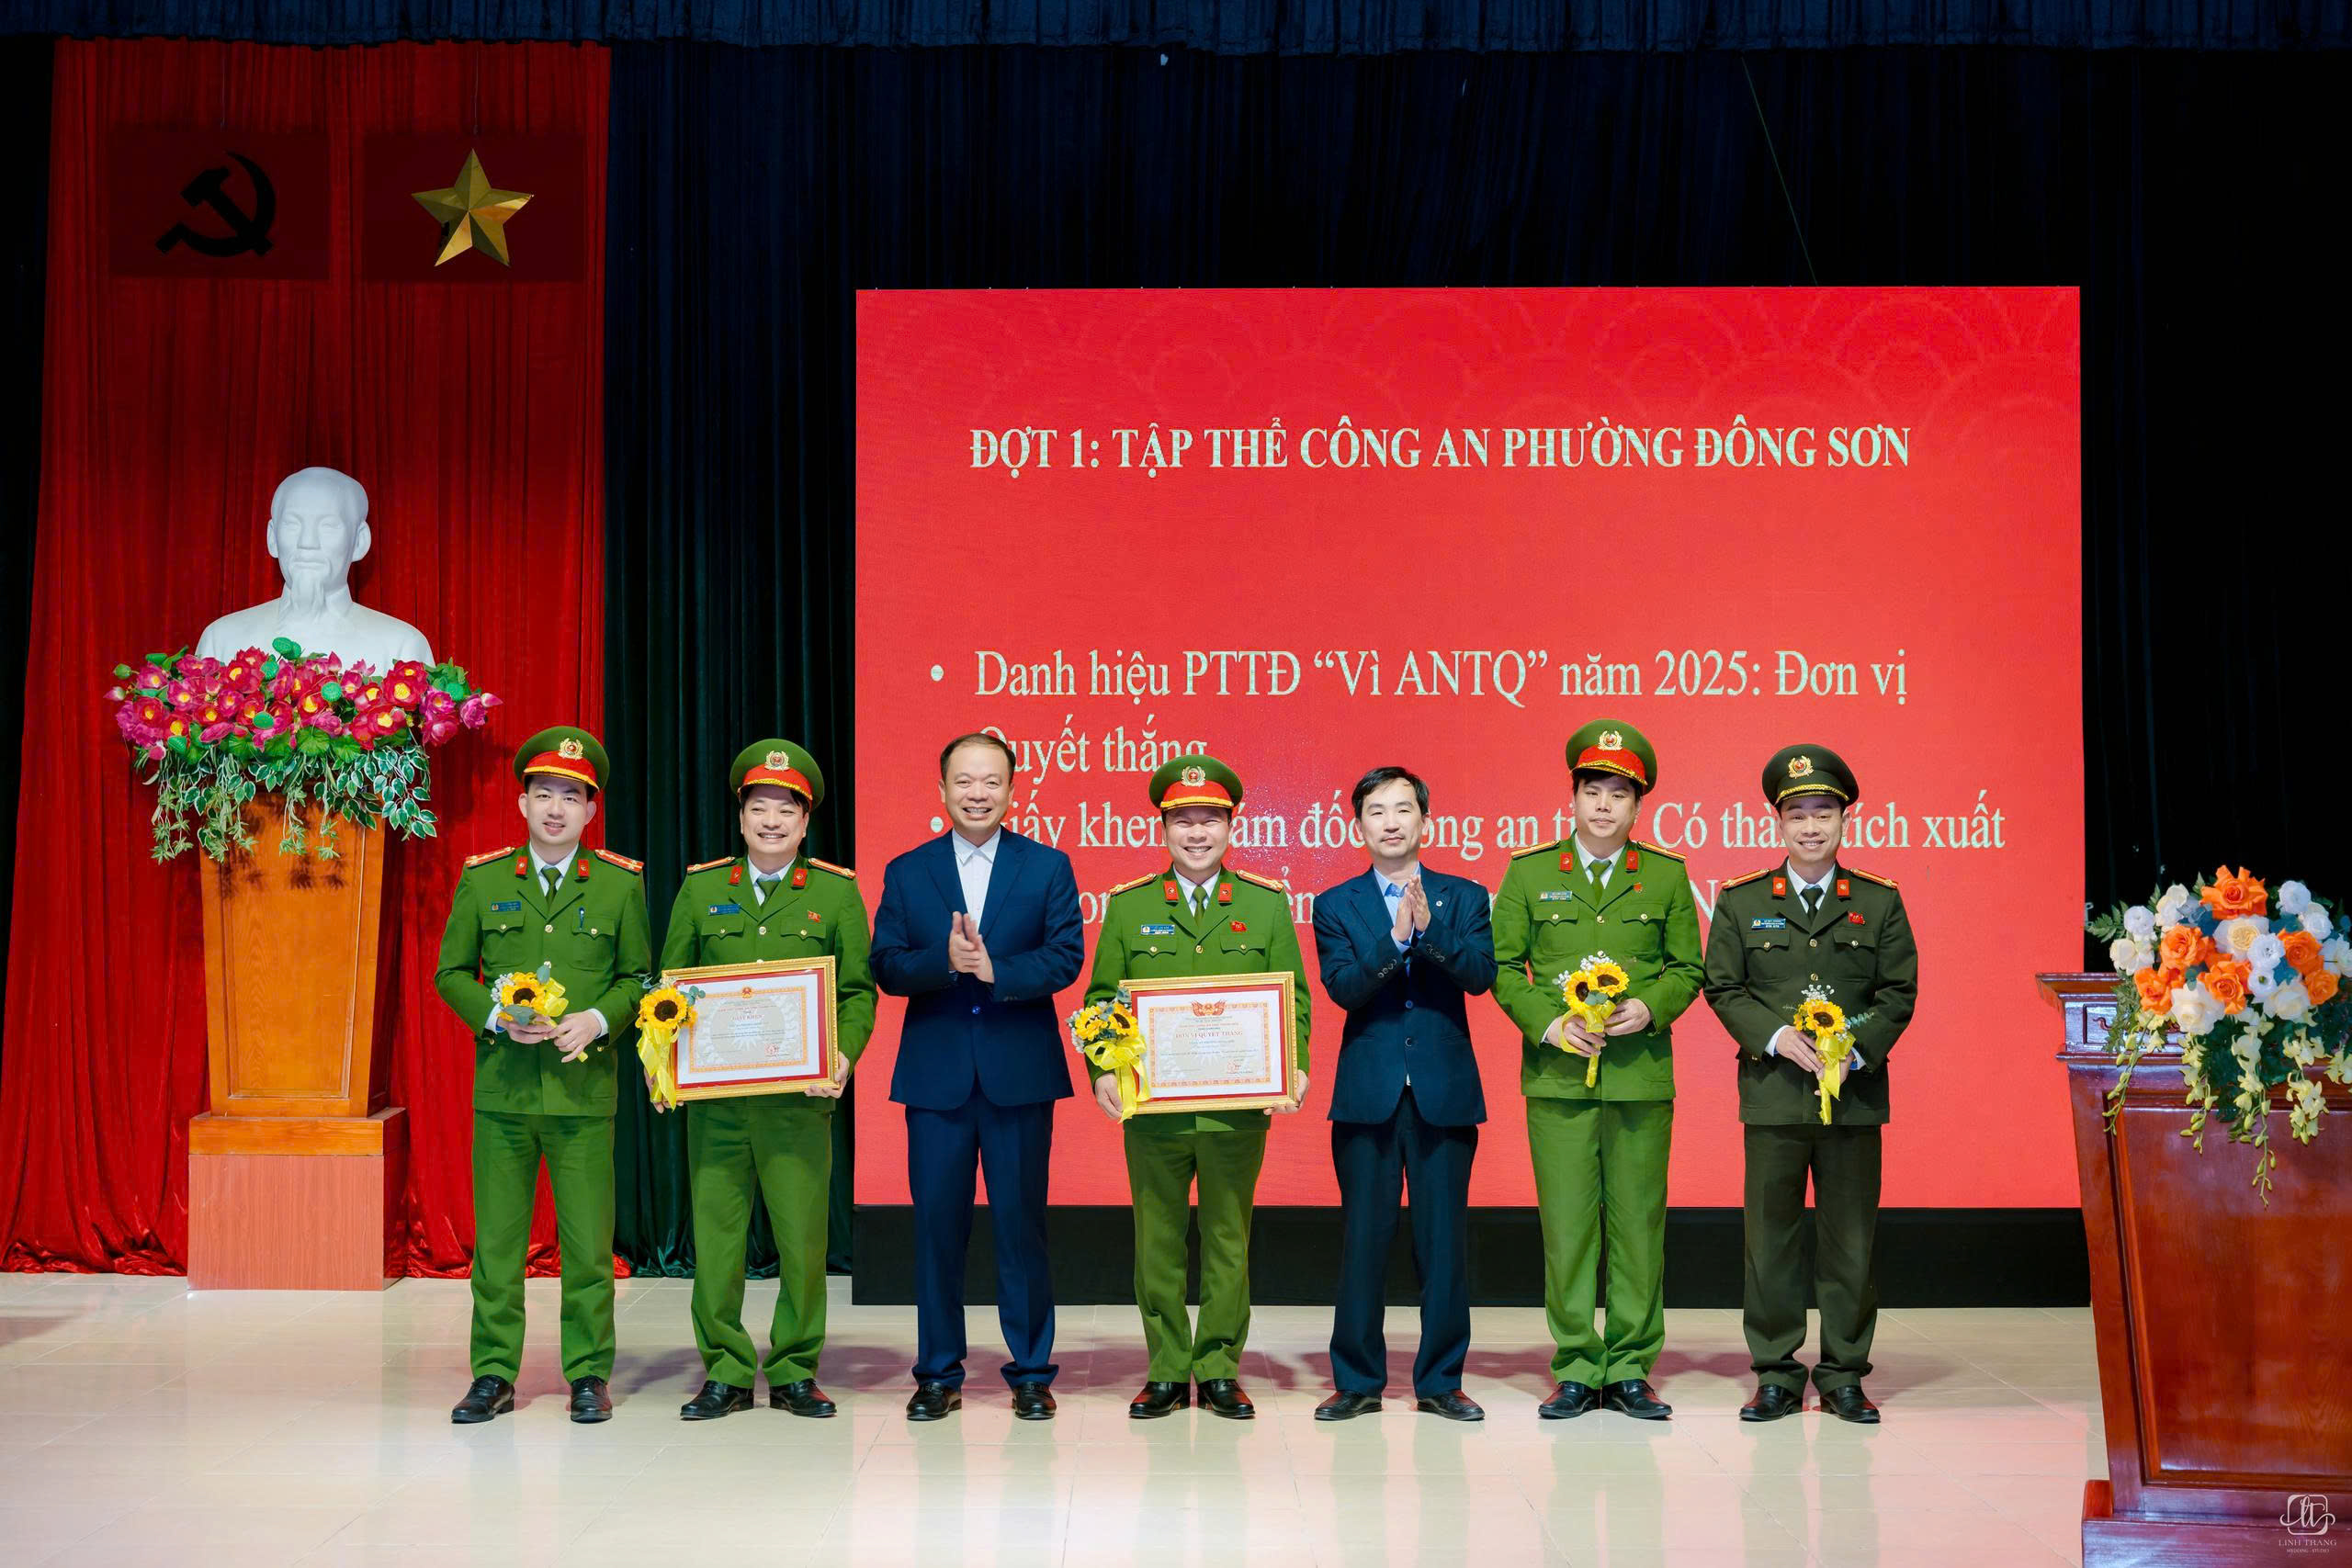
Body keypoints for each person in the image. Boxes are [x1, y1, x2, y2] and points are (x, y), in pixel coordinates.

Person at [435, 727, 651, 1425]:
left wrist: (598, 1019)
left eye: (572, 797)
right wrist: (496, 1016)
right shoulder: (485, 879)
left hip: (583, 1093)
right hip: (505, 1091)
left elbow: (638, 977)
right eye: (544, 794)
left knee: (587, 1247)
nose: (557, 808)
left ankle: (587, 1372)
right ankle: (493, 1373)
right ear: (523, 802)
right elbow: (450, 973)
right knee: (498, 1245)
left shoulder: (619, 883)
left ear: (592, 810)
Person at [1084, 755, 1310, 1420]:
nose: (1196, 833)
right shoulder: (1130, 906)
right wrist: (1103, 1067)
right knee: (1156, 1241)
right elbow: (1101, 1000)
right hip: (1153, 1109)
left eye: (1210, 819)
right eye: (1183, 820)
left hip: (1235, 1111)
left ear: (1231, 826)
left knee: (1227, 1242)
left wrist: (1292, 1065)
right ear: (1163, 828)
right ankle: (1165, 1369)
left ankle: (1217, 1368)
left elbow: (1292, 1001)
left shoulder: (1266, 905)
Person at [656, 740, 876, 1420]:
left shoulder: (835, 892)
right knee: (717, 1243)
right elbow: (668, 989)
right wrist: (663, 1063)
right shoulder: (702, 888)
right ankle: (724, 1371)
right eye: (759, 808)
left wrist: (843, 1056)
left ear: (805, 823)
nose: (772, 821)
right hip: (718, 1104)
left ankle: (793, 1369)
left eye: (786, 810)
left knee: (802, 1241)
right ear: (741, 816)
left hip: (797, 1104)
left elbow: (857, 992)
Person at [1490, 719, 1702, 1422]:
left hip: (1640, 1077)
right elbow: (1502, 966)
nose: (1604, 805)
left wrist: (1651, 1007)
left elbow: (1689, 968)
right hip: (1558, 1078)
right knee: (1568, 1226)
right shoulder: (1529, 872)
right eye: (1592, 790)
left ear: (1638, 805)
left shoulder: (1666, 874)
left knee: (1639, 1226)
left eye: (1618, 793)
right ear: (1572, 797)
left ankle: (1632, 1365)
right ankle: (1579, 1364)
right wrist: (1549, 1024)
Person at [870, 732, 1084, 1421]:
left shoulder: (1047, 865)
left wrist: (998, 970)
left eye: (992, 781)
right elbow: (886, 964)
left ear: (1013, 790)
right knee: (937, 1230)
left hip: (1019, 1075)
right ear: (941, 790)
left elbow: (1066, 957)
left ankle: (1031, 1372)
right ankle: (938, 1373)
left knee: (1022, 1228)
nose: (977, 793)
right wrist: (945, 960)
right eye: (964, 781)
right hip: (936, 1080)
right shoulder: (909, 870)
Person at [1702, 745, 1917, 1425]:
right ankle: (1776, 1373)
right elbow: (1723, 986)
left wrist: (1857, 1046)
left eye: (1824, 812)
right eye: (1797, 814)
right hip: (1773, 1095)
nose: (1811, 826)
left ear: (1844, 819)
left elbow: (1898, 992)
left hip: (1853, 1099)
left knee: (1851, 1241)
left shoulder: (1879, 901)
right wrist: (1774, 1036)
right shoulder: (1741, 901)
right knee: (1770, 1242)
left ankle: (1845, 1374)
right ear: (1778, 821)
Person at [1311, 766, 1495, 1423]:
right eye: (1376, 811)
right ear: (1358, 825)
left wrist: (1430, 931)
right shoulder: (1335, 903)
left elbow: (1480, 975)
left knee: (1443, 1244)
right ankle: (1357, 1380)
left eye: (1403, 809)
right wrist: (1395, 939)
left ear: (1424, 820)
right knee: (1363, 1241)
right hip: (1369, 1095)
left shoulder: (1464, 896)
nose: (1390, 822)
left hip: (1444, 1093)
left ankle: (1442, 1381)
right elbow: (1344, 988)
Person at [194, 466, 434, 669]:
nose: (307, 542)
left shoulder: (401, 649)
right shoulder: (222, 641)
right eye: (292, 524)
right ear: (272, 538)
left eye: (328, 526)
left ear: (359, 542)